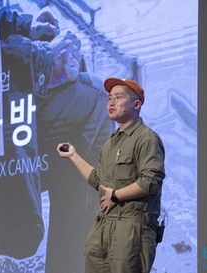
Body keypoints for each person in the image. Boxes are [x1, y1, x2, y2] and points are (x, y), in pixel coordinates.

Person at [57, 77, 166, 273]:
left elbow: (151, 181)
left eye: (118, 97)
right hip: (104, 226)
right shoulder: (110, 143)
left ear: (136, 104)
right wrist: (74, 156)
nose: (111, 102)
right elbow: (100, 181)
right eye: (109, 98)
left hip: (131, 228)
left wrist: (116, 195)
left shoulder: (146, 138)